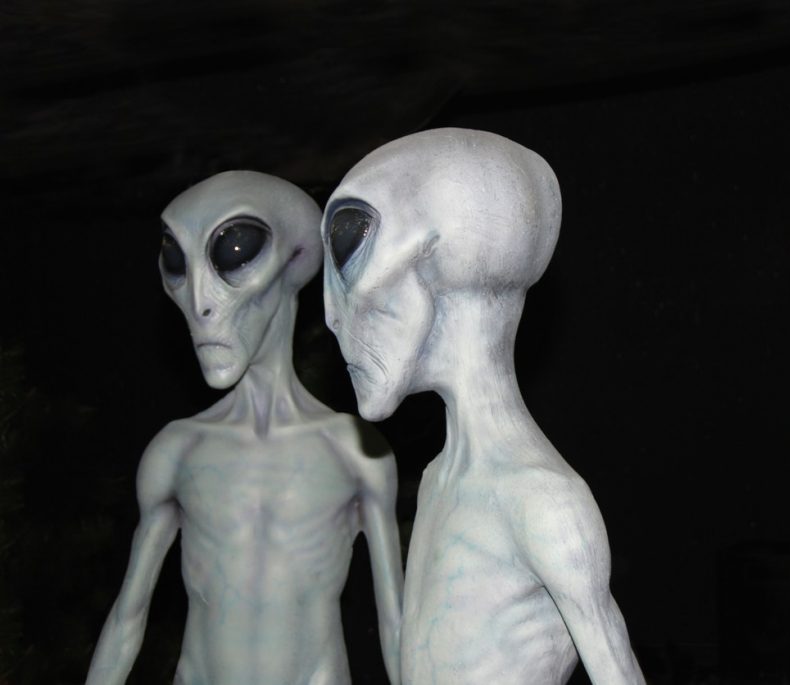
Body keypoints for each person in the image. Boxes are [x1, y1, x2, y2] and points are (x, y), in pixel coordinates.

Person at [321, 128, 644, 685]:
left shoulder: (542, 501)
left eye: (350, 250)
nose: (331, 315)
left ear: (434, 260)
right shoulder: (438, 479)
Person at [86, 171, 402, 685]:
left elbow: (396, 627)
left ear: (293, 261)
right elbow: (127, 619)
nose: (200, 302)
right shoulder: (178, 452)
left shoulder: (354, 452)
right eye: (176, 262)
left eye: (233, 251)